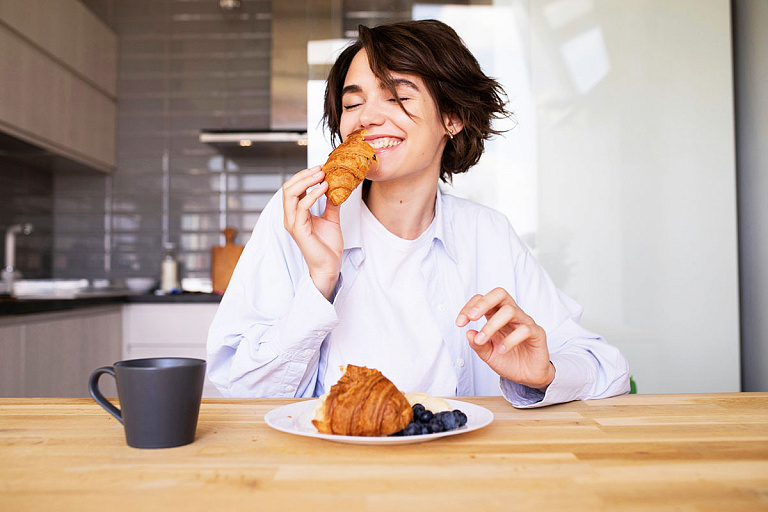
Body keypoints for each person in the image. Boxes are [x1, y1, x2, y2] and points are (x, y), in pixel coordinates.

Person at [207, 19, 630, 407]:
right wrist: (320, 283)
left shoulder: (487, 235)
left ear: (452, 117)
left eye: (397, 97)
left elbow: (606, 367)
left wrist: (544, 375)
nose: (367, 118)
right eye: (352, 105)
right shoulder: (298, 221)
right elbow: (242, 391)